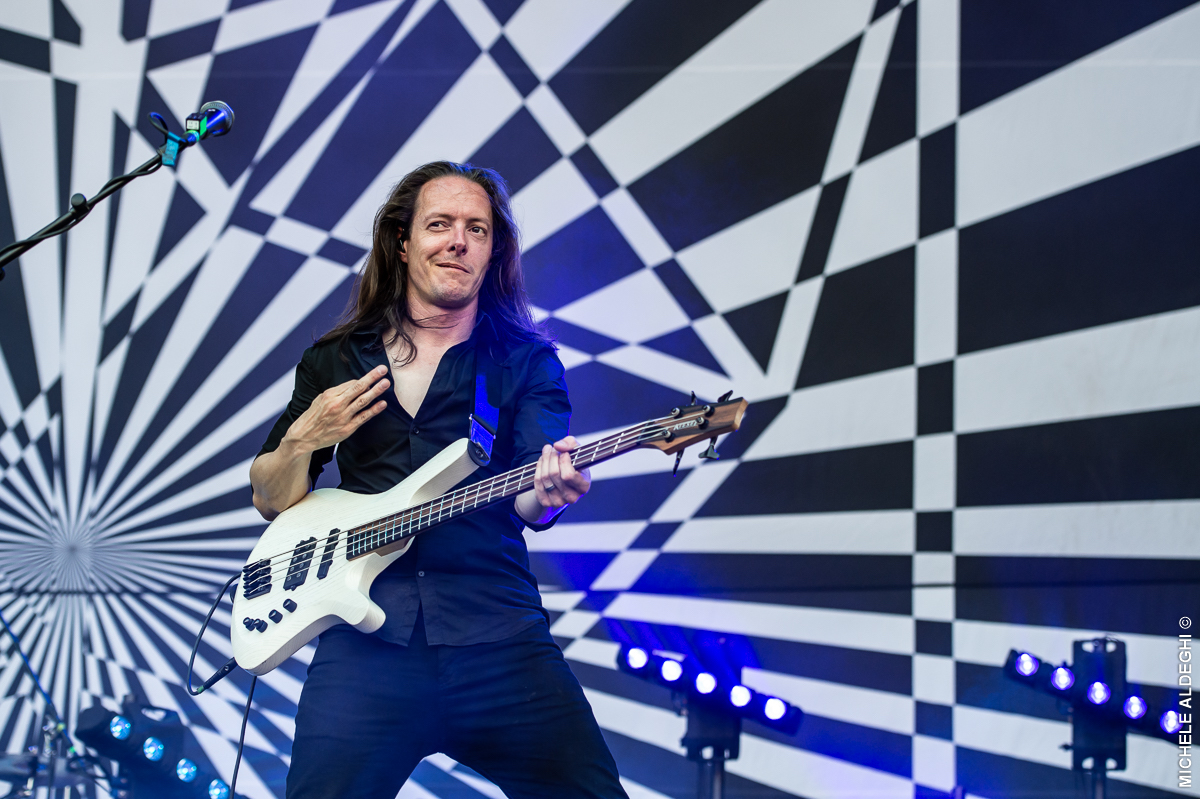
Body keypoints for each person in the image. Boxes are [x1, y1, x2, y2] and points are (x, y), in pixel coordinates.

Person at [250, 161, 629, 799]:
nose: (458, 241)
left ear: (492, 251)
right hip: (364, 644)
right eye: (440, 224)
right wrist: (302, 439)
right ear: (402, 242)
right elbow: (272, 498)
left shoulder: (525, 359)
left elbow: (533, 497)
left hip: (497, 636)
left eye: (477, 229)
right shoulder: (336, 358)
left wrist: (552, 492)